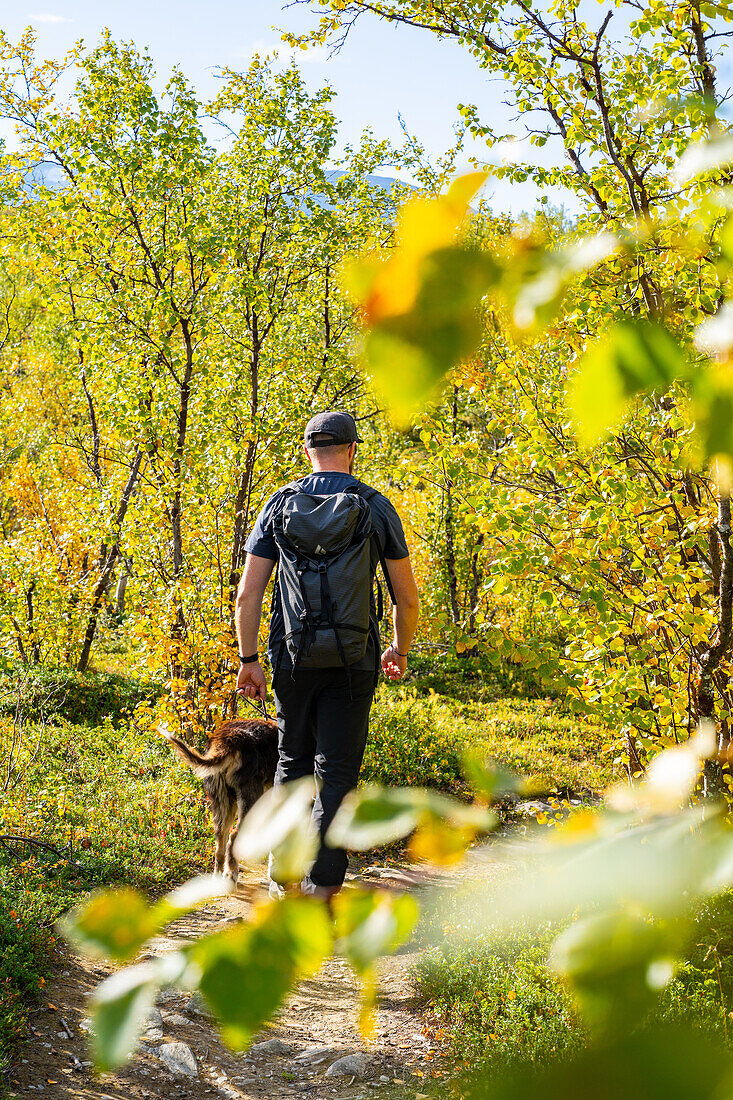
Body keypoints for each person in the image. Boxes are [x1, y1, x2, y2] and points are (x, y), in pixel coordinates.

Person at [234, 410, 419, 900]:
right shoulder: (376, 507)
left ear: (307, 449)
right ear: (353, 449)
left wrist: (249, 658)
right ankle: (324, 892)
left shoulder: (278, 504)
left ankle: (284, 881)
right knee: (336, 772)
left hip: (290, 658)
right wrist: (398, 649)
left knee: (292, 763)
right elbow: (407, 597)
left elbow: (248, 595)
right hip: (354, 659)